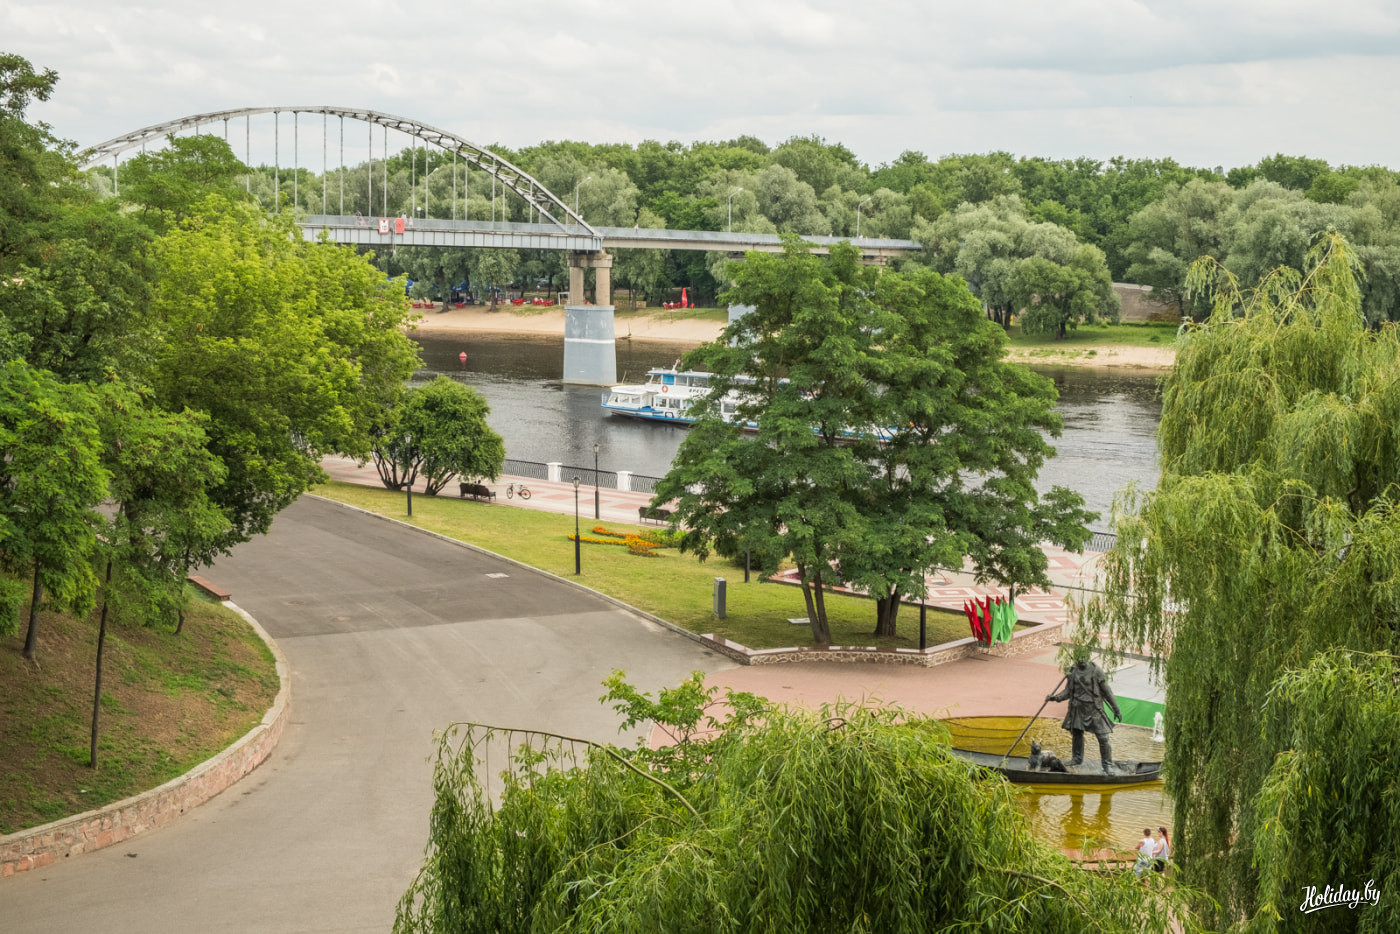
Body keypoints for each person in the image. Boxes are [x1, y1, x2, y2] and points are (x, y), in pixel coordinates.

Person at [1046, 658, 1124, 774]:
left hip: (1094, 709)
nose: (1081, 660)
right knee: (1077, 733)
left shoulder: (1096, 671)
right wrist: (1055, 698)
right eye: (1079, 657)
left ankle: (1107, 764)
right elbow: (1068, 691)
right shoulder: (1072, 671)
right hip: (1077, 707)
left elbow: (1107, 691)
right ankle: (1077, 758)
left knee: (1103, 737)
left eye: (1084, 657)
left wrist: (1116, 708)